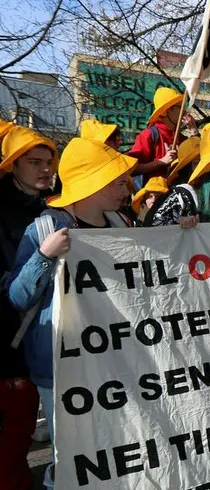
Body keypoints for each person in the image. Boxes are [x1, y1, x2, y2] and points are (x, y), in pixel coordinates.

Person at [7, 137, 137, 489]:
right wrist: (44, 256)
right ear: (91, 183)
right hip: (59, 365)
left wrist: (183, 233)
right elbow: (18, 297)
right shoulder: (44, 230)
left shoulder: (124, 226)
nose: (126, 187)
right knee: (71, 455)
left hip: (114, 358)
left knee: (115, 445)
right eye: (117, 180)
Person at [0, 126, 57, 490]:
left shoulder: (52, 210)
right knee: (10, 443)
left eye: (49, 163)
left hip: (43, 341)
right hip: (8, 345)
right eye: (34, 162)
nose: (45, 170)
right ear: (13, 166)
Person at [128, 87, 197, 189]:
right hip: (153, 199)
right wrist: (161, 162)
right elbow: (131, 168)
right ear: (168, 110)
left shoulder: (181, 138)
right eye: (180, 107)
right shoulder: (149, 135)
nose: (184, 112)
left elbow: (197, 162)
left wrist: (193, 130)